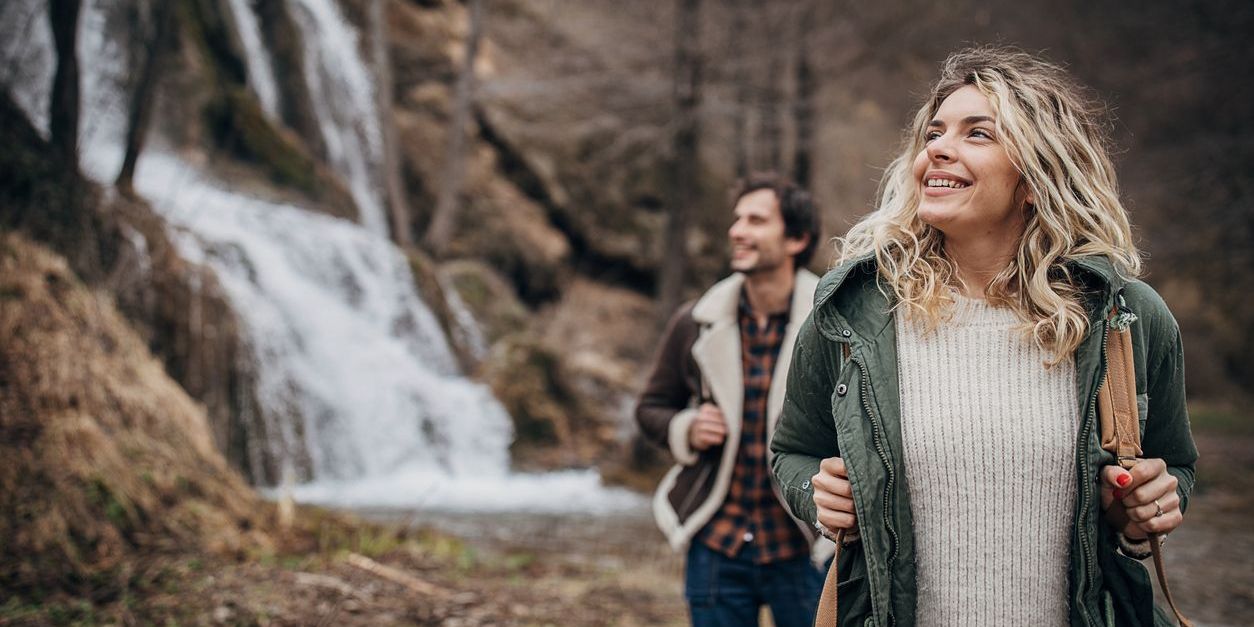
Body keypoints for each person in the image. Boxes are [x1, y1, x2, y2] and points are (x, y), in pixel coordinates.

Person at [770, 47, 1198, 627]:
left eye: (978, 134)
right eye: (935, 132)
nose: (938, 148)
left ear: (1035, 177)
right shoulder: (856, 312)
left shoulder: (1124, 316)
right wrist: (816, 495)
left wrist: (1146, 507)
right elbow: (792, 451)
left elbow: (1174, 466)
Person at [636, 173, 833, 626]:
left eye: (756, 220)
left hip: (804, 544)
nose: (737, 230)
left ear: (796, 239)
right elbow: (650, 408)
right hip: (717, 543)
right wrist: (683, 427)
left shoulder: (833, 322)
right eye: (737, 218)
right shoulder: (695, 321)